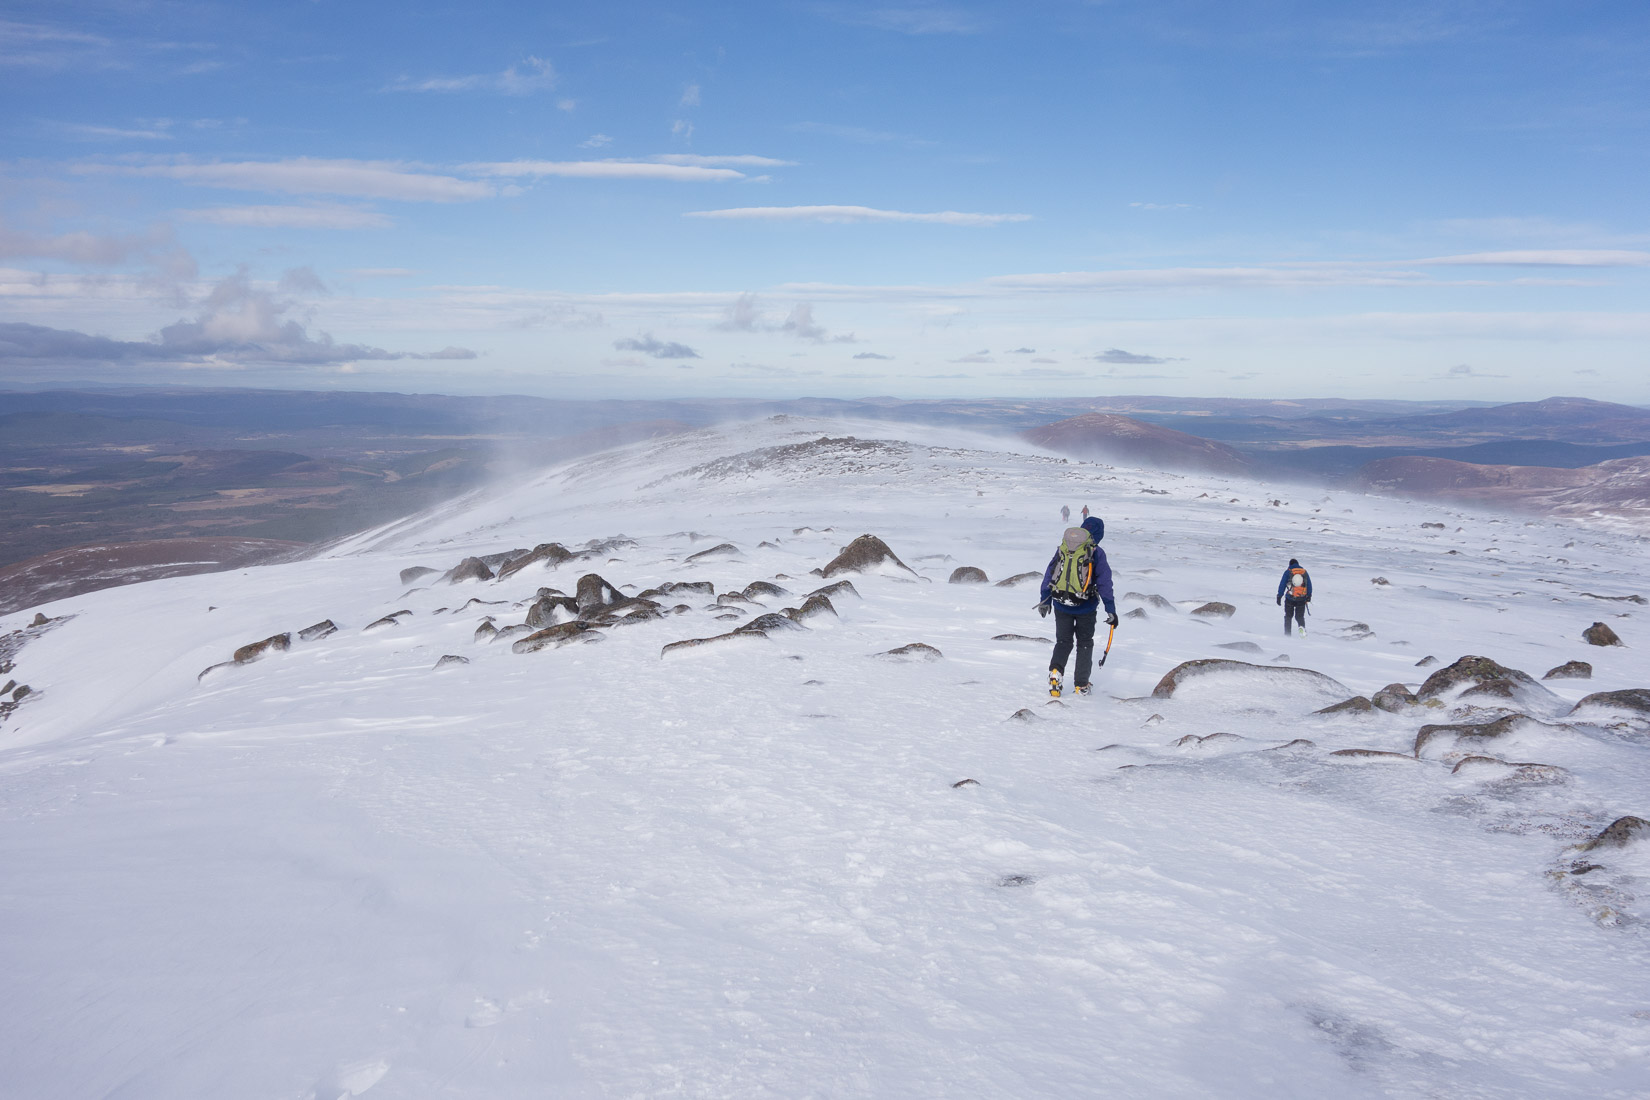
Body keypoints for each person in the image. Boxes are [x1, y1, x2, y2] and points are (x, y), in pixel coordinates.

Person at [1037, 514, 1117, 697]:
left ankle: (1055, 673)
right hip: (1085, 607)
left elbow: (1050, 574)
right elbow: (1105, 583)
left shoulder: (1064, 548)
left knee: (1063, 642)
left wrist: (1045, 599)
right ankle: (1081, 685)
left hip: (1060, 603)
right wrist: (1111, 609)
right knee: (1085, 644)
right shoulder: (1096, 552)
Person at [1277, 558, 1311, 636]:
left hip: (1290, 598)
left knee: (1288, 617)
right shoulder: (1304, 572)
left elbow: (1282, 585)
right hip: (1301, 598)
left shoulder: (1288, 572)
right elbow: (1309, 585)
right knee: (1300, 617)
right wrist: (1309, 596)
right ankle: (1302, 633)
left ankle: (1288, 634)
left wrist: (1279, 596)